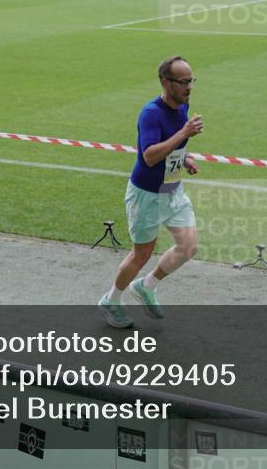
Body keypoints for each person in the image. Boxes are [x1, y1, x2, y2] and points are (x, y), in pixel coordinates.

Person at [99, 55, 203, 329]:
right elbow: (149, 156)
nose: (189, 87)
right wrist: (183, 134)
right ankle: (111, 300)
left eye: (191, 80)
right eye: (183, 82)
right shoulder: (151, 113)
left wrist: (185, 157)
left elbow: (172, 147)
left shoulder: (182, 105)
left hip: (173, 190)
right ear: (166, 82)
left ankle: (147, 285)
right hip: (147, 195)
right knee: (142, 253)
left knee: (189, 246)